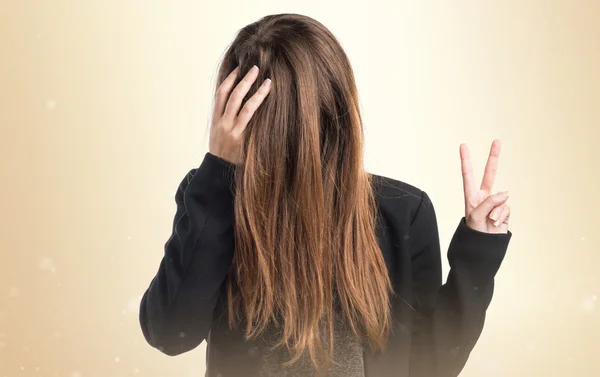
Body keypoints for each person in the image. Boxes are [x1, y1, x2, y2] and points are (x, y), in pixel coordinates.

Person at [138, 13, 512, 377]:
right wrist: (218, 172)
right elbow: (171, 333)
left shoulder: (403, 212)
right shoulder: (217, 198)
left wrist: (478, 249)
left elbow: (428, 365)